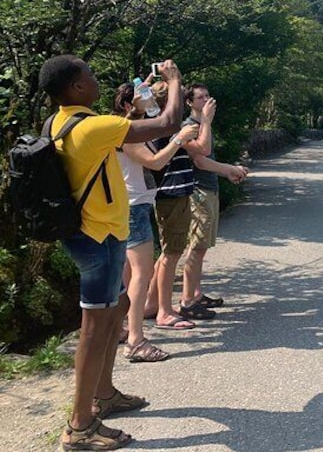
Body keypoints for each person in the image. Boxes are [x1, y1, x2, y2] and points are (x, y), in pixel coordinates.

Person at [38, 55, 184, 450]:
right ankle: (80, 426)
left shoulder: (61, 122)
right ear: (75, 87)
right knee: (95, 326)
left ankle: (104, 395)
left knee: (116, 307)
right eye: (89, 75)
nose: (95, 78)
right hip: (98, 236)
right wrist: (174, 82)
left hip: (96, 232)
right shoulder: (95, 127)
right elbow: (168, 123)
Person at [112, 83, 199, 362]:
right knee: (141, 274)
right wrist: (179, 138)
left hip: (129, 205)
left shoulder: (125, 128)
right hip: (133, 207)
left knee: (125, 274)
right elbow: (155, 162)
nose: (152, 108)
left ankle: (120, 328)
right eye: (146, 102)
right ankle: (136, 340)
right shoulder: (126, 134)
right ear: (129, 105)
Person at [144, 82, 214, 329]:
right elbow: (203, 150)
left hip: (175, 192)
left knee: (169, 253)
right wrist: (205, 120)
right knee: (171, 254)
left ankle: (153, 305)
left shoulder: (166, 126)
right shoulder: (169, 128)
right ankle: (164, 311)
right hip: (171, 194)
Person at [179, 83, 248, 319]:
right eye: (200, 97)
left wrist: (226, 173)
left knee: (203, 247)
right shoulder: (189, 126)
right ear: (189, 102)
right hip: (198, 191)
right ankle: (187, 300)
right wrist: (229, 168)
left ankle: (196, 294)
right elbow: (201, 159)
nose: (207, 100)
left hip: (210, 188)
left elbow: (207, 160)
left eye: (208, 95)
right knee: (196, 247)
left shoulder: (202, 125)